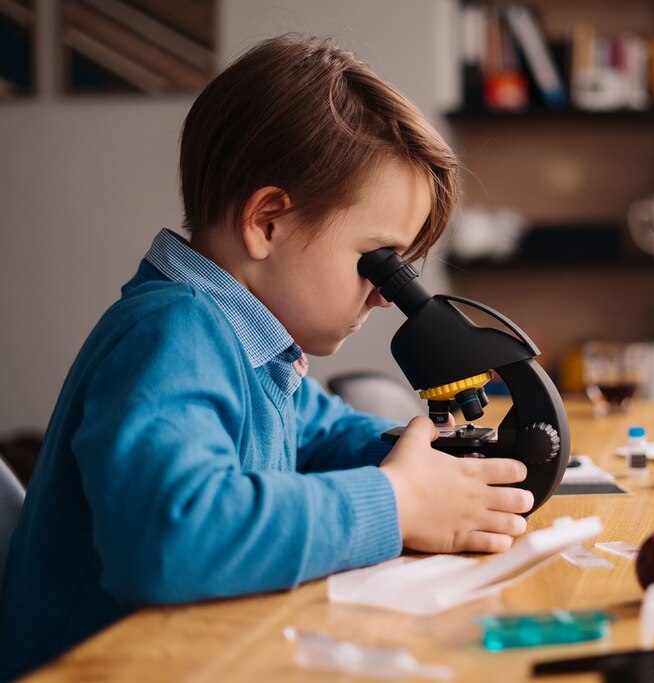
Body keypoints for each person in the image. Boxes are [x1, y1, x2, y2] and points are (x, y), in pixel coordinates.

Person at [0, 35, 533, 679]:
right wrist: (398, 502)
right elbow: (171, 538)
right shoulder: (173, 332)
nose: (387, 298)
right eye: (378, 263)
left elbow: (330, 434)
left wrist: (449, 466)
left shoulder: (252, 347)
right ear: (268, 222)